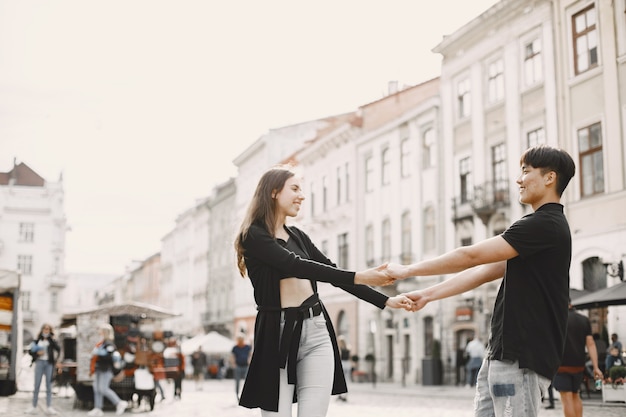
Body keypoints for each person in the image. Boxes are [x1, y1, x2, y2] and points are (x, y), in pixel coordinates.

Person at [386, 145, 576, 417]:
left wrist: (407, 270)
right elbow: (482, 271)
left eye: (525, 171)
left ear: (550, 178)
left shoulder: (544, 224)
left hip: (522, 356)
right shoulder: (539, 228)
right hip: (502, 354)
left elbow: (470, 255)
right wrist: (429, 294)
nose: (518, 179)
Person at [233, 164, 411, 416]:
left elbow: (331, 272)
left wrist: (385, 301)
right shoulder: (253, 236)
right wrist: (361, 275)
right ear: (273, 192)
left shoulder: (299, 236)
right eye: (294, 188)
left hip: (316, 330)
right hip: (278, 333)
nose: (301, 196)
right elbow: (293, 264)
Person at [552, 301, 601, 417]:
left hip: (561, 365)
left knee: (566, 398)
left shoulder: (557, 318)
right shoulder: (583, 319)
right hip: (579, 366)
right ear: (571, 303)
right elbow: (590, 344)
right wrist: (596, 367)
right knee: (575, 395)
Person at [88, 323, 128, 416]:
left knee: (103, 388)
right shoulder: (101, 343)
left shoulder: (109, 343)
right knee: (97, 388)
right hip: (99, 368)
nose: (99, 332)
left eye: (101, 331)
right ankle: (98, 408)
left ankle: (119, 402)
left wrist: (100, 353)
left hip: (106, 369)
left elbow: (109, 356)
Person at [25, 323, 61, 415]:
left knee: (49, 386)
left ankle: (49, 407)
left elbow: (58, 349)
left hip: (49, 364)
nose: (46, 330)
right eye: (45, 329)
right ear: (42, 330)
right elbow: (30, 351)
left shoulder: (52, 341)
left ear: (50, 331)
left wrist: (53, 339)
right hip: (39, 363)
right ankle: (34, 406)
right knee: (36, 385)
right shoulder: (37, 341)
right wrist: (37, 354)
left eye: (48, 329)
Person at [231, 334, 252, 401]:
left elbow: (250, 355)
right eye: (239, 339)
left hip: (246, 366)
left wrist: (250, 362)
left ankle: (247, 396)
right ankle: (237, 396)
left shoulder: (247, 347)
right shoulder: (235, 348)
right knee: (237, 382)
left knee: (247, 382)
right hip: (238, 366)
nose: (240, 341)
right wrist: (234, 364)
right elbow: (232, 357)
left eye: (241, 339)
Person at [336, 336, 351, 402]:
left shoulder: (340, 348)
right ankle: (345, 395)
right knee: (347, 380)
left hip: (342, 364)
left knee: (340, 380)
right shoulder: (348, 348)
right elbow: (350, 357)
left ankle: (340, 395)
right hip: (348, 364)